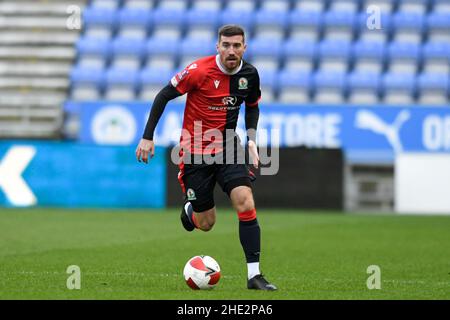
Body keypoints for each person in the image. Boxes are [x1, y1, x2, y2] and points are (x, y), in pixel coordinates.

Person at [136, 25, 277, 291]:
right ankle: (190, 212)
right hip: (194, 152)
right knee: (206, 223)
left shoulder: (250, 74)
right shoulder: (198, 71)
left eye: (237, 46)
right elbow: (164, 95)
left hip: (228, 148)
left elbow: (253, 106)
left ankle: (254, 276)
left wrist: (252, 140)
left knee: (244, 201)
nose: (231, 51)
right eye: (226, 45)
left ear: (244, 47)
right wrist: (147, 136)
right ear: (218, 47)